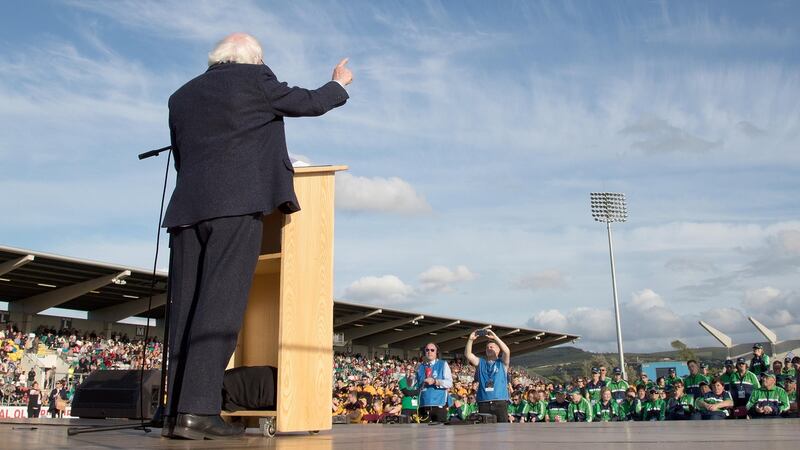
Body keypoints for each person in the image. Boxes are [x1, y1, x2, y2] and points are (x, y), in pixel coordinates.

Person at [161, 33, 352, 440]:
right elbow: (311, 103)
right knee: (219, 310)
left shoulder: (180, 96)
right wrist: (339, 83)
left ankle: (175, 413)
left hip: (186, 211)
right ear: (251, 60)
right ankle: (197, 413)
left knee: (185, 311)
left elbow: (181, 155)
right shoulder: (254, 80)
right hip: (234, 207)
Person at [465, 329, 511, 422]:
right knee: (485, 433)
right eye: (487, 347)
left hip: (500, 402)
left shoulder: (502, 363)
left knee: (503, 431)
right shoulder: (481, 362)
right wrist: (470, 339)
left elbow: (507, 351)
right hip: (483, 402)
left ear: (498, 350)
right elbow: (468, 355)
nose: (489, 349)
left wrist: (495, 337)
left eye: (492, 347)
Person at [416, 343, 452, 423]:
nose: (429, 352)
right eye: (427, 350)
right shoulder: (420, 367)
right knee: (423, 434)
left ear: (436, 352)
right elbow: (416, 385)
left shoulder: (443, 364)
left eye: (432, 350)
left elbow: (449, 383)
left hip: (439, 404)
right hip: (423, 405)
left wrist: (436, 381)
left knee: (440, 433)